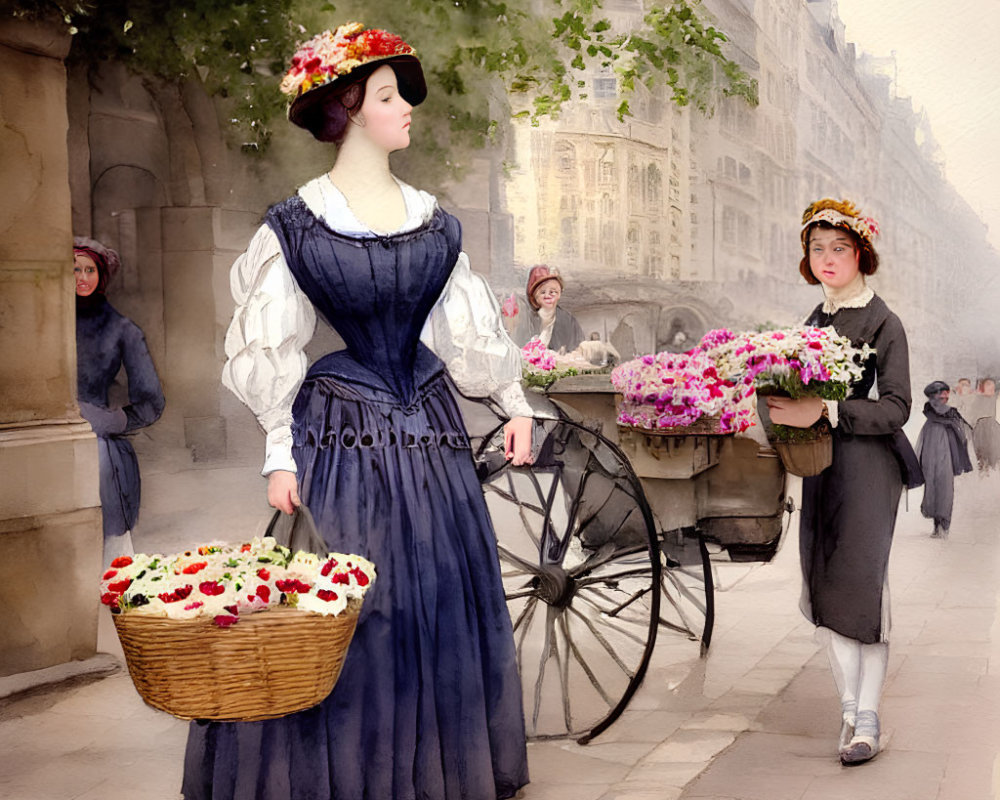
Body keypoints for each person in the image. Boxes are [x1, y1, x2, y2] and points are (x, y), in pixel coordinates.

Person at [183, 23, 532, 800]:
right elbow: (269, 346)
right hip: (344, 440)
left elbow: (465, 327)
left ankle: (435, 772)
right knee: (358, 610)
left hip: (434, 438)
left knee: (438, 597)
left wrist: (513, 400)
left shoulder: (435, 221)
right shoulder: (298, 226)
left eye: (402, 93)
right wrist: (280, 448)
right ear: (347, 111)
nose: (406, 106)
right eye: (387, 95)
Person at [766, 199, 913, 766]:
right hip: (821, 467)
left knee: (860, 587)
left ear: (861, 255)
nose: (827, 258)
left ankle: (868, 717)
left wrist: (825, 411)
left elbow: (897, 407)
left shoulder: (884, 322)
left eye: (840, 249)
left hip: (870, 470)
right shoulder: (813, 322)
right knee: (824, 583)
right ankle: (849, 710)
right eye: (816, 249)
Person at [73, 237, 164, 563]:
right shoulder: (40, 328)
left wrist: (107, 421)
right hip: (49, 451)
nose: (81, 278)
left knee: (111, 556)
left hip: (100, 453)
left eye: (89, 270)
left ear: (101, 276)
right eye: (73, 270)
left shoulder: (121, 330)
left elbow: (151, 403)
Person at [916, 381, 973, 538]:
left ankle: (943, 527)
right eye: (943, 393)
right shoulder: (932, 415)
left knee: (944, 488)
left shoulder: (949, 413)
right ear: (935, 395)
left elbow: (964, 431)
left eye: (947, 393)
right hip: (932, 452)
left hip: (945, 454)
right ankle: (938, 526)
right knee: (933, 487)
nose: (946, 396)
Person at [513, 264, 585, 353]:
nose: (547, 296)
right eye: (543, 292)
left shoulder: (569, 321)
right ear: (534, 296)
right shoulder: (525, 319)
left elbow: (577, 350)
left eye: (553, 292)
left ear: (559, 293)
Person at [969, 378, 1000, 472]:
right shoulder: (976, 398)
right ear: (982, 387)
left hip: (994, 429)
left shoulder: (995, 397)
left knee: (995, 458)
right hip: (980, 429)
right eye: (988, 385)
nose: (991, 387)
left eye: (993, 385)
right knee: (982, 460)